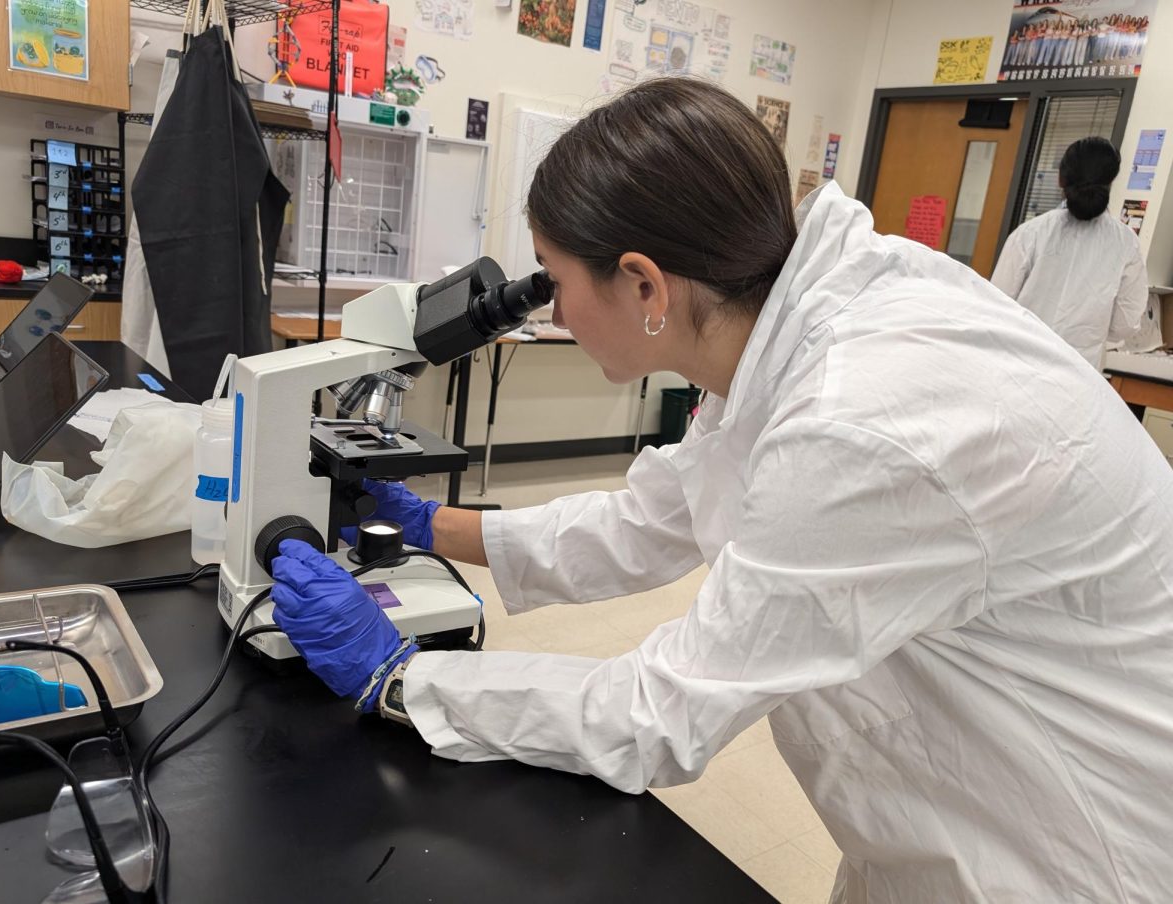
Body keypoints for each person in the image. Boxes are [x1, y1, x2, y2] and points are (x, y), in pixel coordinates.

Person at [271, 78, 1173, 902]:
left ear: (643, 283)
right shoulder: (785, 319)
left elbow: (660, 715)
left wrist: (405, 681)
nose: (549, 306)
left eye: (553, 276)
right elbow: (648, 521)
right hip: (948, 804)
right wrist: (431, 524)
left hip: (1068, 846)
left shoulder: (858, 419)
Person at [991, 137, 1148, 369]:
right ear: (1111, 180)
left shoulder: (1030, 233)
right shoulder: (1126, 244)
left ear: (1060, 179)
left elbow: (995, 306)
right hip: (1079, 373)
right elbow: (1125, 323)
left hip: (1018, 364)